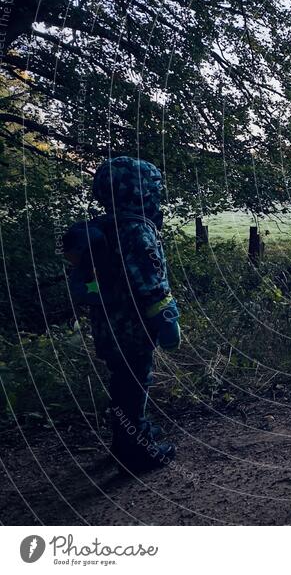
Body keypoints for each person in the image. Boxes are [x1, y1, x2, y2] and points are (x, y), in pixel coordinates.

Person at [64, 157, 180, 472]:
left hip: (105, 325)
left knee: (122, 382)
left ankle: (125, 438)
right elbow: (150, 283)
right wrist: (168, 320)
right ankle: (135, 451)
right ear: (142, 193)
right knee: (134, 383)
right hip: (133, 328)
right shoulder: (136, 231)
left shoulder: (101, 227)